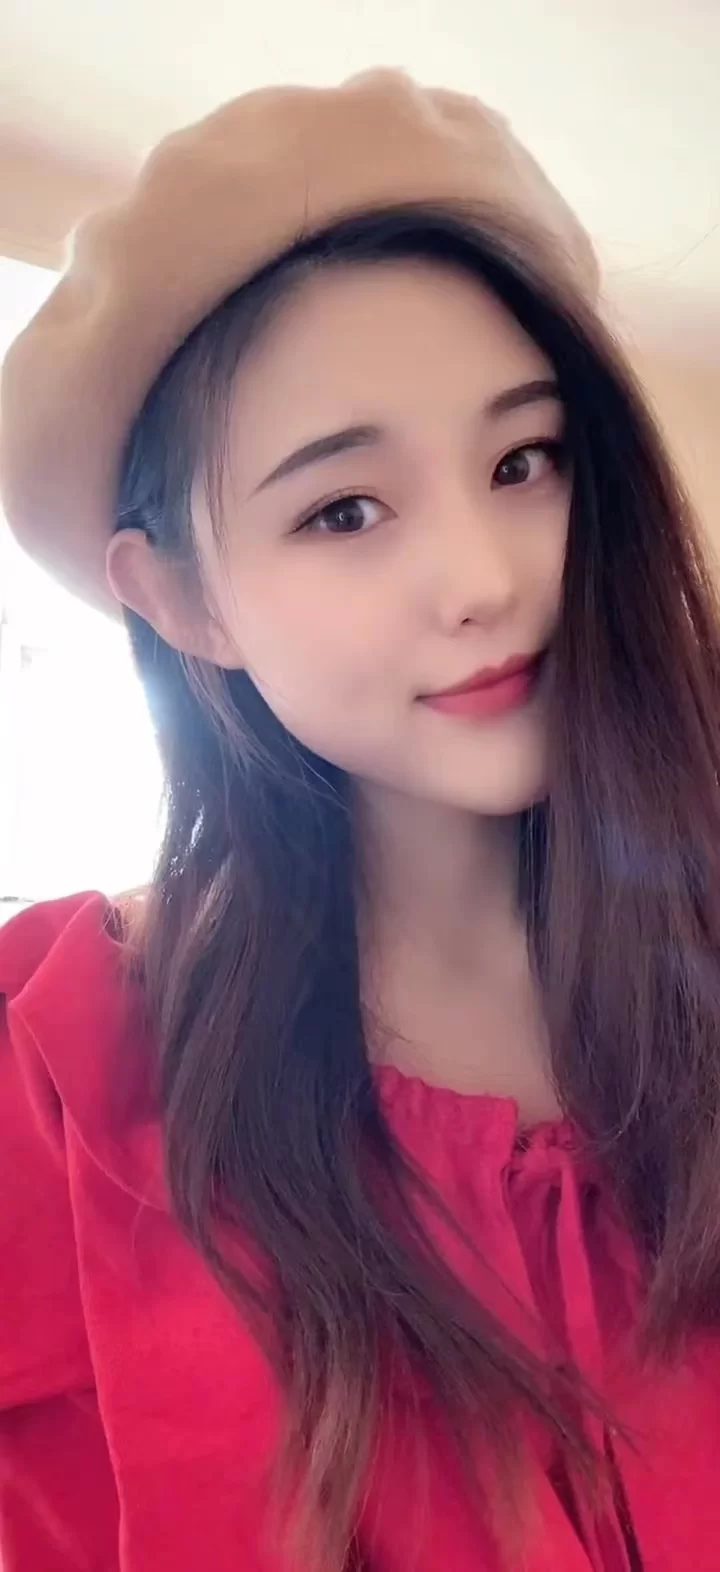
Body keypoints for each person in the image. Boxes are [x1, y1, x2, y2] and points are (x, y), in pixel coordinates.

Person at [1, 68, 720, 1572]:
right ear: (181, 599)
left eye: (524, 462)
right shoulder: (55, 1070)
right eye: (344, 509)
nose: (485, 577)